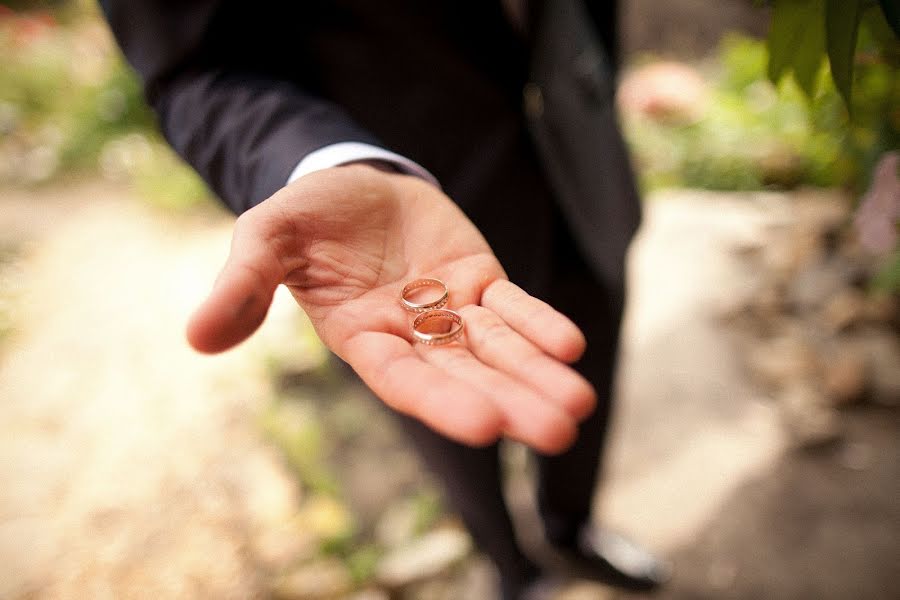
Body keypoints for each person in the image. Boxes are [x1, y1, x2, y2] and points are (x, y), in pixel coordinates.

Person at [100, 0, 670, 597]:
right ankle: (512, 571)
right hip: (404, 222)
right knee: (456, 428)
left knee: (583, 375)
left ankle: (572, 533)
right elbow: (198, 69)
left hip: (584, 170)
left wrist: (598, 75)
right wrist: (322, 160)